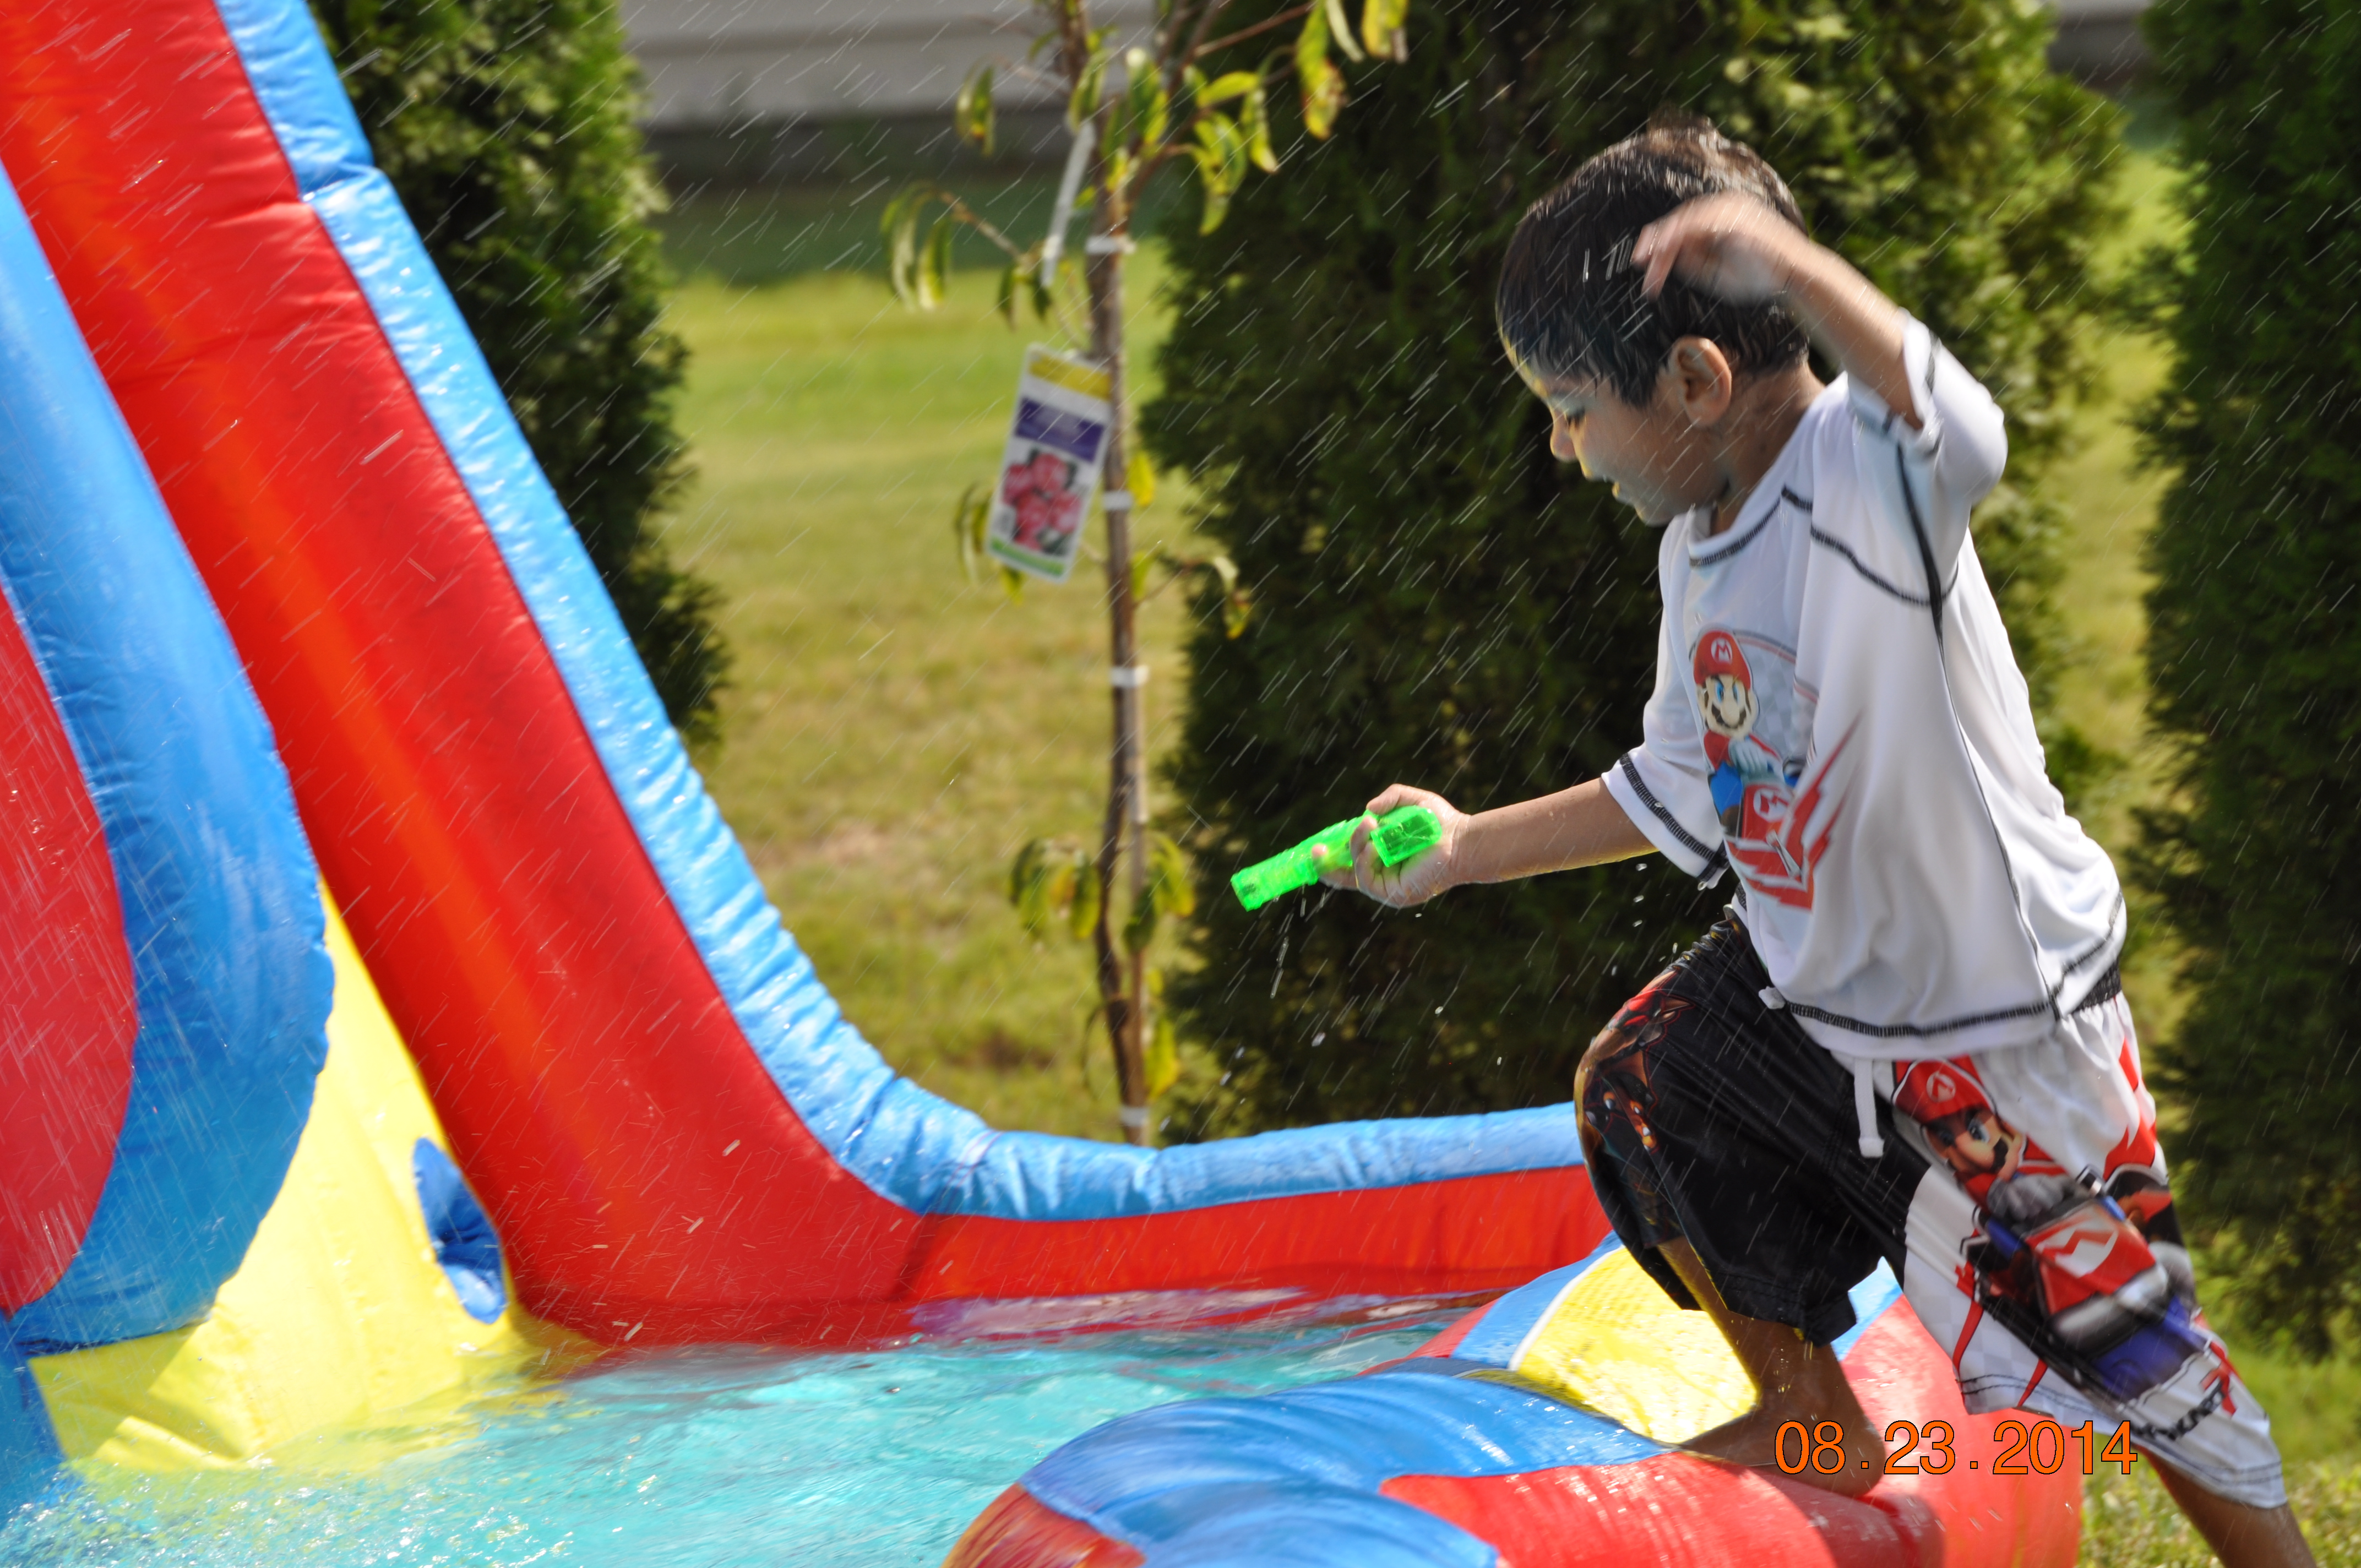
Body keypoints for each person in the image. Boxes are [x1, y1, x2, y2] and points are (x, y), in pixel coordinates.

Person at [1314, 119, 2314, 1567]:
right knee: (1648, 1083)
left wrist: (1787, 263)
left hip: (1999, 1019)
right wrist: (1466, 849)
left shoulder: (1863, 474)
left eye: (1575, 409)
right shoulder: (1699, 548)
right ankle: (1812, 1420)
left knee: (2134, 1356)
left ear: (1696, 382)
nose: (1564, 450)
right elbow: (1679, 787)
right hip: (1835, 1003)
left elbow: (1964, 426)